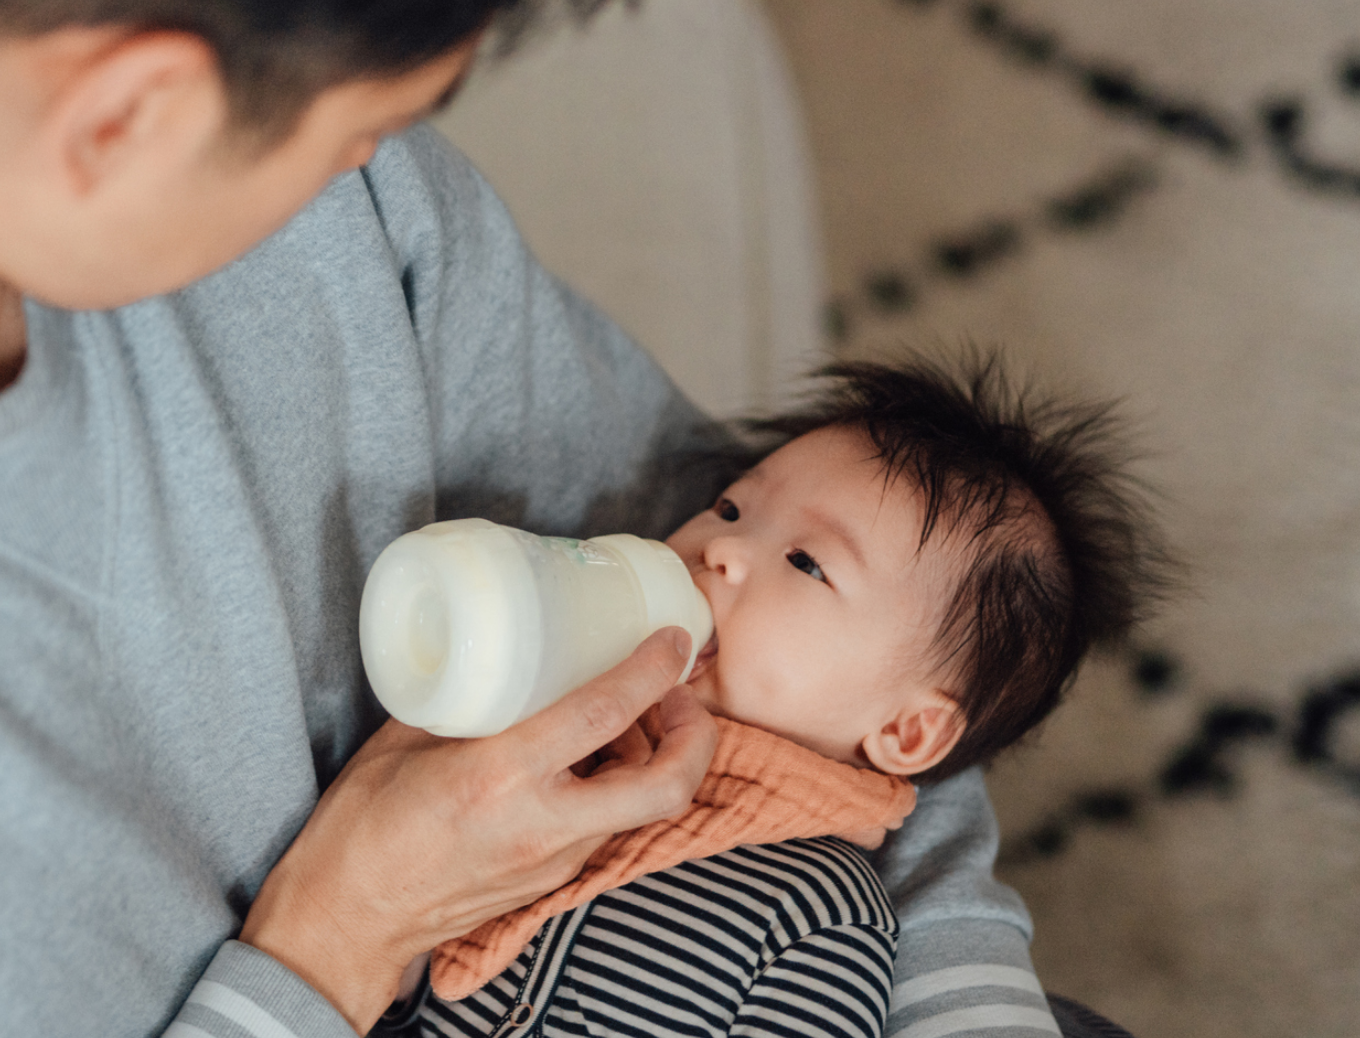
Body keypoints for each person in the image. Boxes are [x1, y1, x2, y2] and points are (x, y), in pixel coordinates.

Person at [0, 0, 1064, 1035]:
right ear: (126, 119)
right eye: (363, 130)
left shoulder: (343, 226)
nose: (374, 175)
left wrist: (962, 1001)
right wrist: (333, 947)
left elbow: (884, 645)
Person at [405, 356, 1173, 1038]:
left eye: (807, 563)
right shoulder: (547, 734)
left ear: (906, 733)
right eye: (732, 508)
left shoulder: (814, 914)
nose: (722, 550)